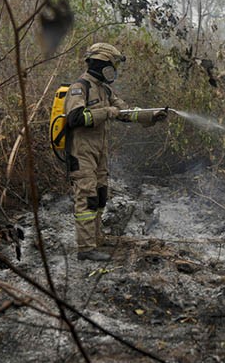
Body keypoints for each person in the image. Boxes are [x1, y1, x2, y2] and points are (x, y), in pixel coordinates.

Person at [63, 42, 167, 261]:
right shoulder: (79, 87)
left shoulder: (105, 89)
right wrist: (106, 111)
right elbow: (75, 118)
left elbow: (125, 112)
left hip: (98, 151)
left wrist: (152, 115)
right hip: (81, 152)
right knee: (87, 197)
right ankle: (85, 248)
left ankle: (97, 239)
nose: (113, 71)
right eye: (111, 65)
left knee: (100, 195)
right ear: (100, 64)